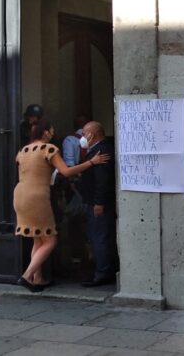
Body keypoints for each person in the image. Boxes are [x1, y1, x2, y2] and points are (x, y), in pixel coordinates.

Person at [13, 119, 109, 292]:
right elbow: (66, 171)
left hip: (20, 195)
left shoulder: (23, 151)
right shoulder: (49, 149)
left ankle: (38, 279)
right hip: (37, 197)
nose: (52, 134)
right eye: (51, 131)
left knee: (38, 237)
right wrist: (91, 162)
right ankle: (27, 276)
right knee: (50, 240)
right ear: (45, 132)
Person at [78, 121, 118, 287]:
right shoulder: (96, 150)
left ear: (91, 135)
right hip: (93, 201)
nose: (82, 137)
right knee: (97, 236)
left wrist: (99, 202)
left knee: (99, 237)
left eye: (84, 134)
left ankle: (102, 273)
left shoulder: (102, 151)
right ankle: (103, 270)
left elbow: (103, 180)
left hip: (98, 203)